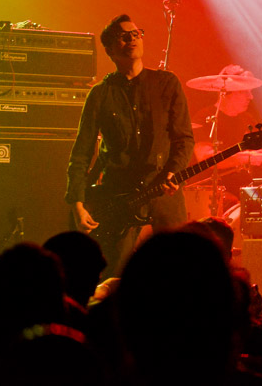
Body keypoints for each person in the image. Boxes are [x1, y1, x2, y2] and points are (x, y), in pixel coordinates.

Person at [64, 14, 195, 274]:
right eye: (124, 36)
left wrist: (173, 170)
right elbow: (82, 150)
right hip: (119, 193)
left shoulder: (167, 83)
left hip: (161, 190)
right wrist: (77, 202)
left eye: (136, 33)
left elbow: (184, 138)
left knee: (178, 270)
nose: (132, 39)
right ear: (110, 49)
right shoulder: (100, 93)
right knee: (114, 272)